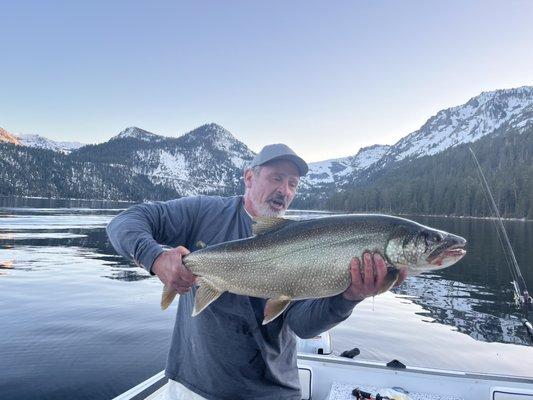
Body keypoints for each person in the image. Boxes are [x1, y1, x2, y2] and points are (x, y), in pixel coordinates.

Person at [106, 143, 407, 400]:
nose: (284, 191)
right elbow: (125, 221)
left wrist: (350, 297)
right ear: (249, 177)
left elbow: (303, 326)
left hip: (273, 391)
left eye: (292, 184)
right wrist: (156, 257)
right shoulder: (202, 212)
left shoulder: (304, 243)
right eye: (277, 178)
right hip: (194, 385)